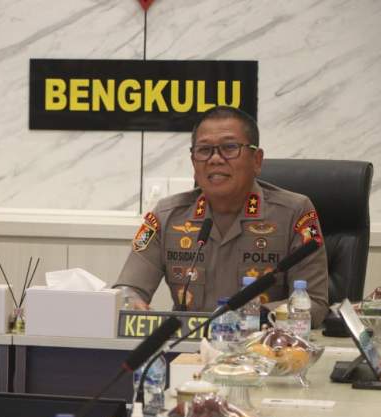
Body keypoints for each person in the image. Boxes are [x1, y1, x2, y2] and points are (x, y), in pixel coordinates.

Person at [114, 106, 329, 327]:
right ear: (193, 162)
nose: (215, 159)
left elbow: (313, 304)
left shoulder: (295, 213)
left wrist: (254, 317)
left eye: (229, 147)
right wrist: (130, 302)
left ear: (256, 160)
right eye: (204, 150)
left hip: (262, 343)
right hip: (187, 344)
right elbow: (127, 290)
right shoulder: (166, 216)